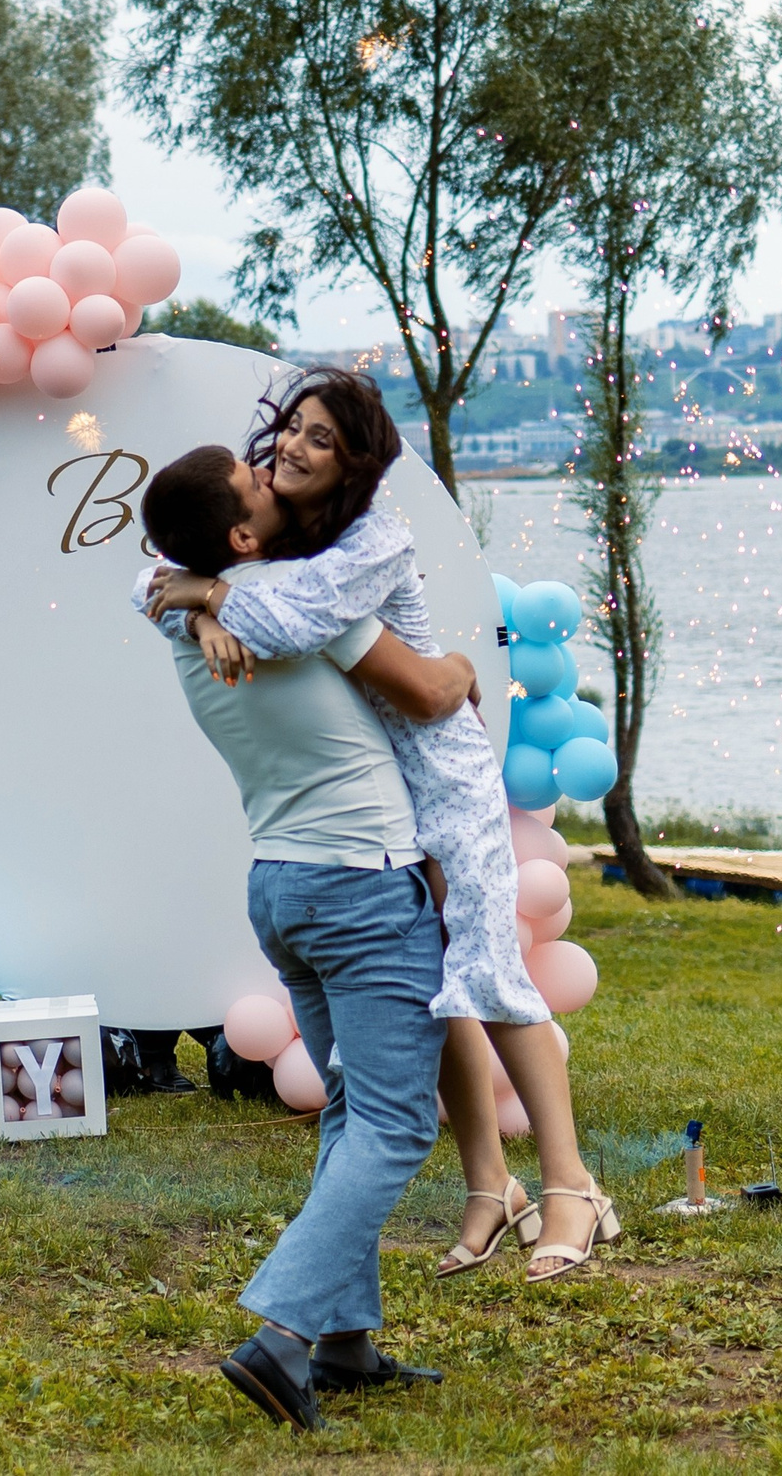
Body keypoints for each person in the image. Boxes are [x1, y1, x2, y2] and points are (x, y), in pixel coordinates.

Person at [142, 368, 619, 1285]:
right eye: (292, 428)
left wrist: (206, 597)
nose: (293, 446)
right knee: (432, 983)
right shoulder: (273, 541)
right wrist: (195, 592)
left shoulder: (371, 540)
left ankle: (571, 1184)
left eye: (323, 438)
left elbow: (296, 619)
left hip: (440, 773)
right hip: (380, 793)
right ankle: (490, 1186)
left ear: (356, 466)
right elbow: (153, 566)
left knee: (486, 970)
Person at [133, 444, 475, 1433]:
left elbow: (150, 578)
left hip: (282, 887)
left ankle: (342, 1339)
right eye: (254, 484)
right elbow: (424, 690)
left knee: (348, 1108)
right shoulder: (297, 603)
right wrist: (457, 663)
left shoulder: (182, 619)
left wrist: (197, 592)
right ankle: (281, 1332)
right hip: (362, 887)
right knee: (398, 1123)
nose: (271, 476)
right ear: (243, 535)